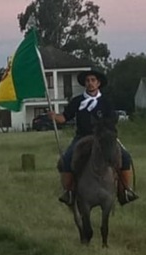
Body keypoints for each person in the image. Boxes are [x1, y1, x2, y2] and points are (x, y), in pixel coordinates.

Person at [49, 69, 138, 206]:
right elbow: (65, 118)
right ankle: (69, 192)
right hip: (82, 137)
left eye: (93, 80)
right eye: (87, 81)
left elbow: (112, 120)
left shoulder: (106, 102)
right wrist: (55, 116)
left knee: (125, 157)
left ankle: (124, 191)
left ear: (98, 83)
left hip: (103, 139)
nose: (90, 83)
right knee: (67, 158)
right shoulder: (77, 101)